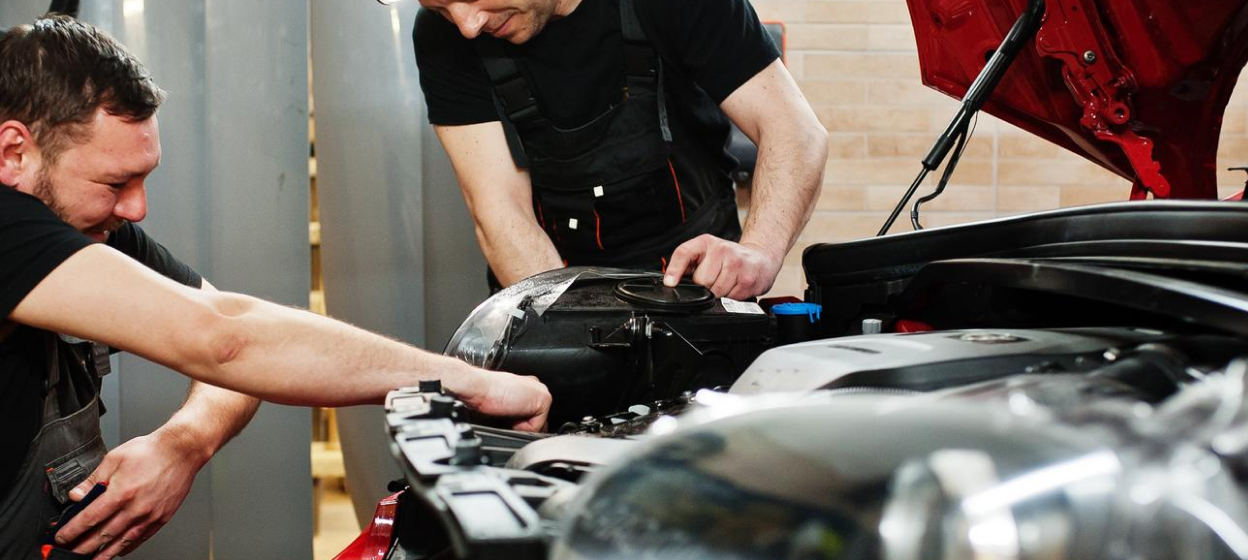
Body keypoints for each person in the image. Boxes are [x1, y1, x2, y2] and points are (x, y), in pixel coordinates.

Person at [0, 16, 550, 560]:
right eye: (115, 183)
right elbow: (227, 340)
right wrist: (471, 384)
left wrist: (182, 444)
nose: (137, 209)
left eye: (143, 179)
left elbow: (235, 357)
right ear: (14, 153)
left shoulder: (92, 228)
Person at [410, 0, 828, 300]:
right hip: (547, 285)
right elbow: (500, 212)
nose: (466, 25)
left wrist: (758, 251)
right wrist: (569, 330)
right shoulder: (442, 36)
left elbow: (794, 130)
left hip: (693, 291)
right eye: (440, 7)